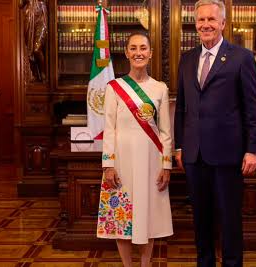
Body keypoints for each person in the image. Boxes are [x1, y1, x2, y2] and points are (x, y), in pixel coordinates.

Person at [174, 0, 256, 266]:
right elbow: (182, 108)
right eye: (201, 20)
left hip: (228, 155)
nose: (206, 25)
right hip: (194, 155)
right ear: (195, 24)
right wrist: (180, 147)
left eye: (211, 19)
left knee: (229, 219)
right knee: (201, 219)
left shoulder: (241, 57)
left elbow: (252, 108)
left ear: (223, 23)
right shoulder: (187, 59)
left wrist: (253, 149)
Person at [97, 33, 173, 267]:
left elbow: (165, 132)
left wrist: (166, 165)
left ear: (150, 53)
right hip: (121, 161)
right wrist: (108, 165)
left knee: (147, 215)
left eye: (143, 48)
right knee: (122, 216)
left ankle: (145, 264)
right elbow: (109, 129)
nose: (138, 52)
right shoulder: (114, 88)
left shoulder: (160, 88)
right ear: (127, 53)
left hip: (151, 161)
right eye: (133, 48)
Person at [20, 0, 48, 82]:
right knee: (29, 51)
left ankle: (43, 73)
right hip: (29, 18)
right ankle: (35, 74)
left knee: (37, 49)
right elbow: (20, 4)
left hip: (41, 17)